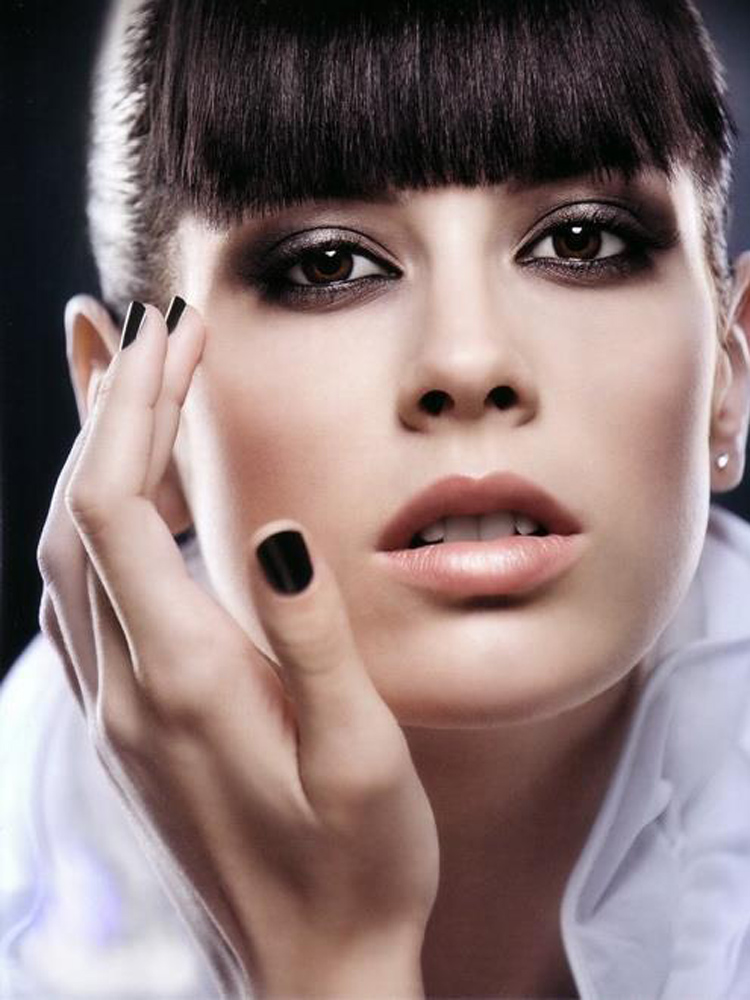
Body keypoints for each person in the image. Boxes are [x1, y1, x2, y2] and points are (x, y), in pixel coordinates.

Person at [2, 0, 750, 996]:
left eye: (580, 242)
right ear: (130, 404)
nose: (468, 362)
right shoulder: (37, 860)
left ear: (730, 375)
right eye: (330, 263)